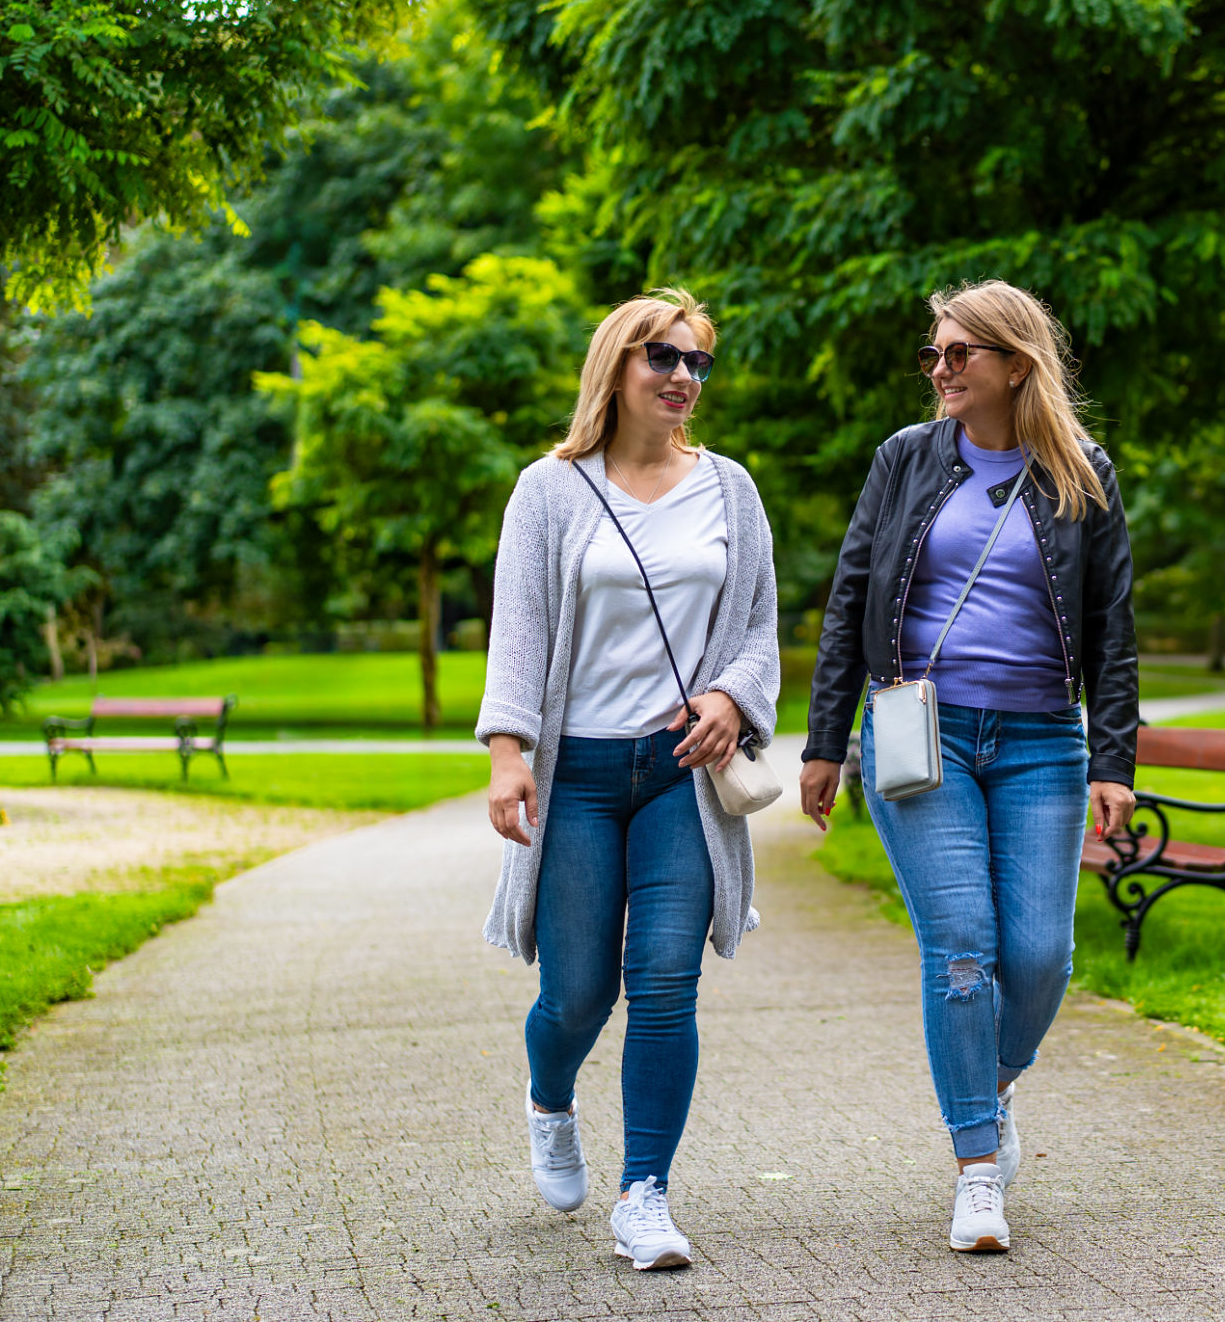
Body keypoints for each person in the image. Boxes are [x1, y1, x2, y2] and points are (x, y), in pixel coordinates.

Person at [798, 279, 1139, 1252]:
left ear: (1015, 364)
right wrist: (826, 744)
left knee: (1037, 957)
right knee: (961, 953)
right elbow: (849, 599)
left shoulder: (1083, 471)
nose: (939, 368)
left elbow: (1113, 630)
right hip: (922, 735)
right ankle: (976, 1170)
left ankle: (985, 1088)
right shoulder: (904, 459)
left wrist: (1112, 756)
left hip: (1041, 740)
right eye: (933, 353)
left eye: (959, 354)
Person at [477, 289, 779, 1271]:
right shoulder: (550, 489)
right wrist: (508, 752)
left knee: (662, 978)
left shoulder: (730, 489)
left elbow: (755, 628)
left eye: (695, 362)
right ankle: (549, 1098)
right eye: (662, 357)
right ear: (616, 366)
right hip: (578, 774)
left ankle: (643, 1194)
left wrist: (733, 697)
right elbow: (518, 627)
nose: (682, 377)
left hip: (679, 775)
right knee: (575, 992)